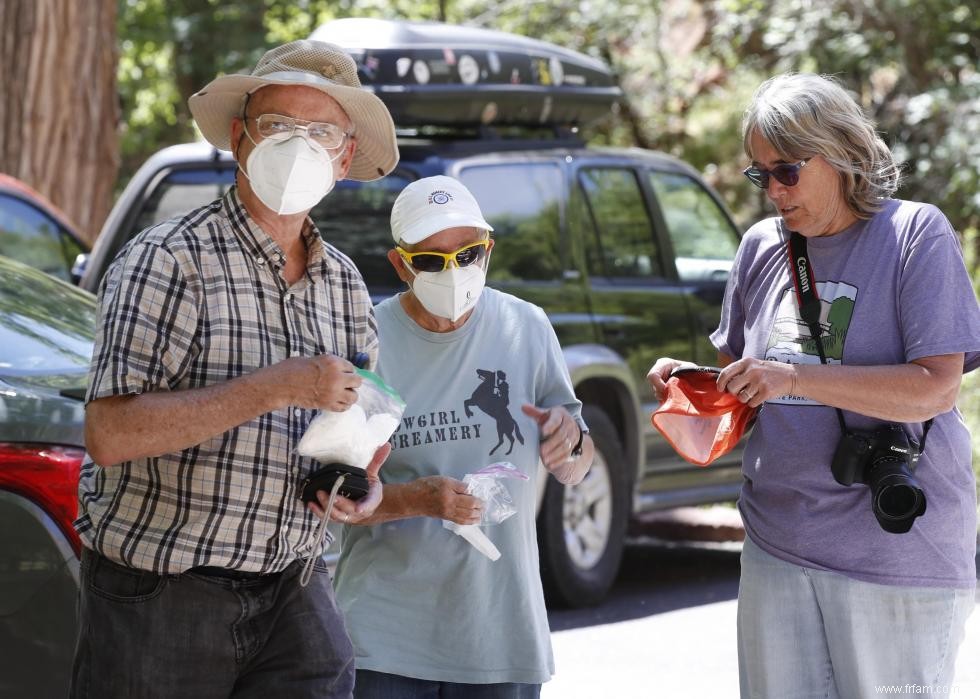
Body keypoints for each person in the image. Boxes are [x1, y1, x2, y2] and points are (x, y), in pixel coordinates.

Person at [71, 40, 399, 699]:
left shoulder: (345, 286)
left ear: (343, 155)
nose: (297, 144)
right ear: (238, 136)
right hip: (162, 594)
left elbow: (362, 434)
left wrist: (362, 483)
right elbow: (110, 434)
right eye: (278, 124)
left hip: (297, 585)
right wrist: (279, 385)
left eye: (320, 131)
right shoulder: (166, 259)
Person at [648, 72, 980, 698]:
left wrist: (798, 376)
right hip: (778, 547)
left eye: (787, 171)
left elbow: (936, 388)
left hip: (894, 555)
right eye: (759, 174)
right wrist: (694, 386)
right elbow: (743, 397)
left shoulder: (914, 235)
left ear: (843, 156)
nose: (772, 190)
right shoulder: (760, 248)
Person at [331, 175, 595, 698]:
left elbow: (576, 464)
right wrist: (416, 499)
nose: (453, 273)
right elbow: (332, 493)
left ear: (488, 251)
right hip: (385, 638)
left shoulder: (527, 327)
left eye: (468, 254)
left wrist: (571, 443)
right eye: (431, 260)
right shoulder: (369, 342)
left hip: (498, 634)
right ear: (400, 263)